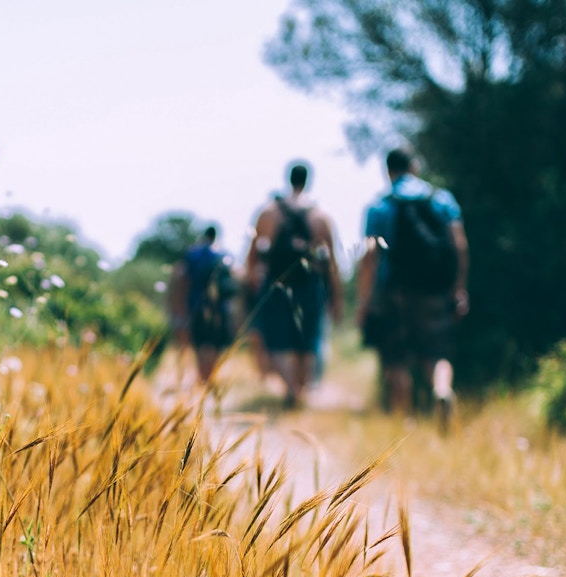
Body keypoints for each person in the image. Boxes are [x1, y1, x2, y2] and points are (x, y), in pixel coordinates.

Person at [356, 147, 469, 427]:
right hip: (434, 288)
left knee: (396, 358)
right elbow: (460, 245)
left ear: (388, 170)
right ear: (415, 166)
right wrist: (459, 288)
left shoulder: (380, 205)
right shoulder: (441, 199)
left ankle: (404, 422)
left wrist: (364, 301)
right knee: (436, 351)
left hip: (394, 291)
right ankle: (441, 390)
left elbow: (370, 257)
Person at [246, 161, 343, 409]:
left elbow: (253, 256)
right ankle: (300, 390)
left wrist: (251, 288)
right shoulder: (320, 216)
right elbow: (332, 261)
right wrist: (336, 297)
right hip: (310, 284)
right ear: (308, 180)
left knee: (278, 339)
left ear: (288, 179)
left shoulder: (269, 212)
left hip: (277, 283)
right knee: (307, 340)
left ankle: (291, 389)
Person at [170, 225, 237, 385]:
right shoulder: (224, 254)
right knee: (214, 343)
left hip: (197, 306)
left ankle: (202, 377)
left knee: (200, 344)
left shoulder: (193, 254)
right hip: (221, 309)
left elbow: (183, 280)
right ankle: (209, 376)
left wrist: (179, 306)